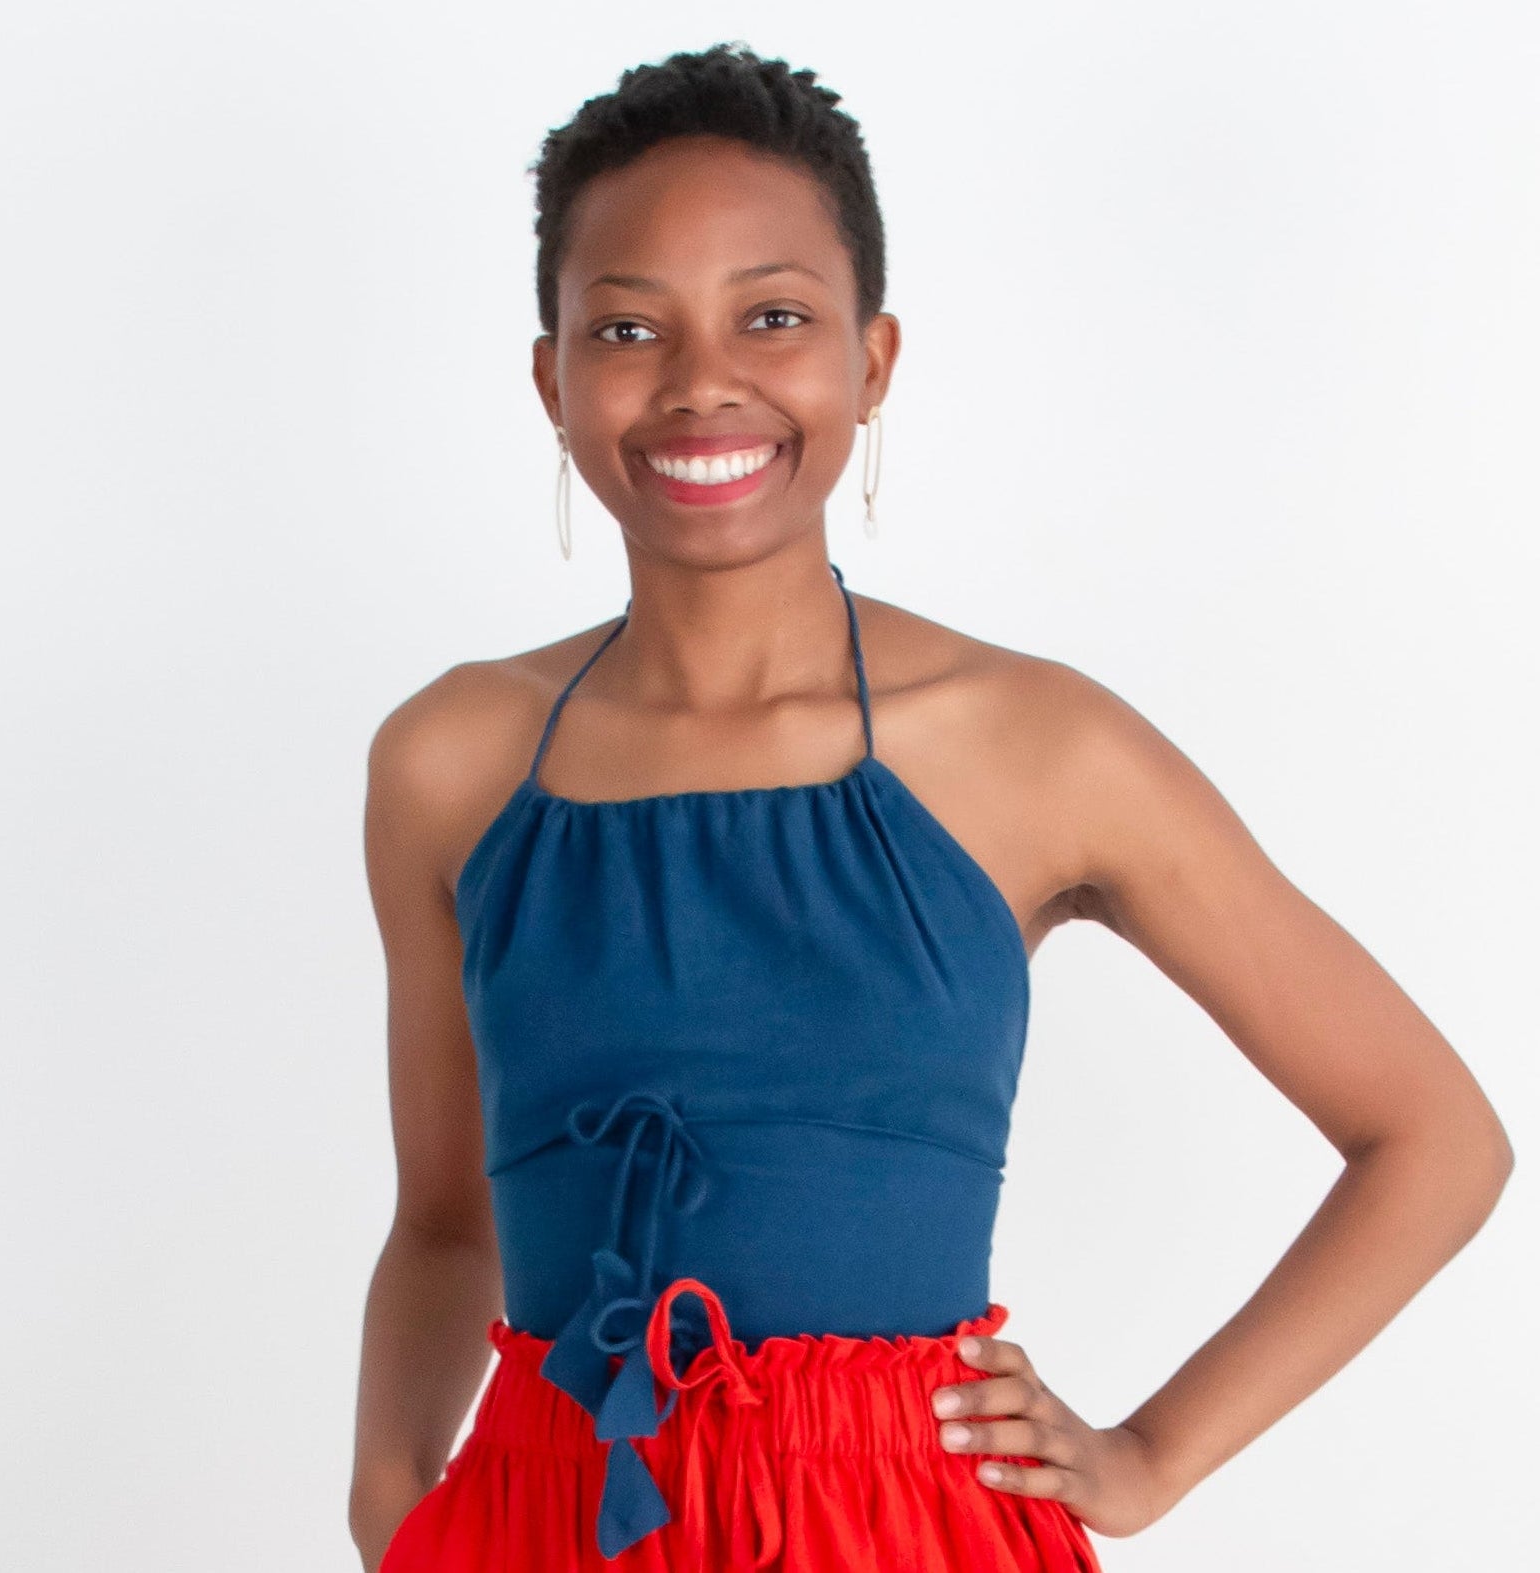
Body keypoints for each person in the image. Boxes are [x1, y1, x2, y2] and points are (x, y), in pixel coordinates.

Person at [348, 41, 1513, 1573]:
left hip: (897, 1522)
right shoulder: (451, 758)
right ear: (553, 375)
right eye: (628, 327)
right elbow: (443, 1220)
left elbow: (1432, 1137)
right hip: (541, 1519)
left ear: (871, 360)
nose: (703, 381)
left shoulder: (1032, 744)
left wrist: (1150, 1454)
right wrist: (391, 1504)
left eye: (774, 317)